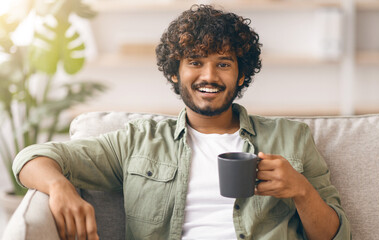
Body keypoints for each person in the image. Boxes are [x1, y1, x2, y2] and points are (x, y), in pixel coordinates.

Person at [13, 4, 350, 240]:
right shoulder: (137, 141)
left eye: (223, 64)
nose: (209, 76)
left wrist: (302, 191)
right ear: (175, 73)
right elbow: (31, 158)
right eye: (195, 62)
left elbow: (335, 236)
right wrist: (60, 187)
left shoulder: (292, 138)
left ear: (241, 73)